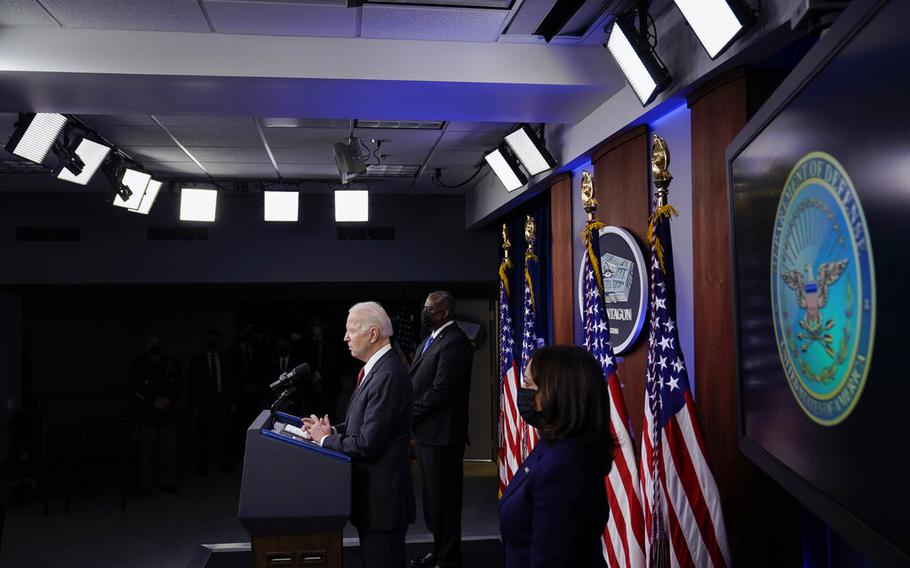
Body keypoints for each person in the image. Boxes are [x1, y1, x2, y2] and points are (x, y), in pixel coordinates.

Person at [304, 302, 415, 568]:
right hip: (374, 501)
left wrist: (325, 440)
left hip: (383, 503)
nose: (345, 338)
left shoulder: (387, 373)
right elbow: (363, 426)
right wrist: (332, 431)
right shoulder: (375, 369)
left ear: (373, 334)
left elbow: (367, 444)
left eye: (352, 330)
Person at [499, 345, 614, 568]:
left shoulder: (565, 466)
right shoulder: (554, 445)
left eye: (528, 384)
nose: (521, 391)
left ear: (556, 394)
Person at [408, 291, 473, 568]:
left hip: (443, 436)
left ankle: (448, 557)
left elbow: (442, 391)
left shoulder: (455, 342)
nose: (424, 312)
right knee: (432, 500)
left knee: (445, 500)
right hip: (427, 435)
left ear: (445, 312)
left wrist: (407, 413)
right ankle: (439, 550)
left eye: (429, 308)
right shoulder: (430, 340)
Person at [128, 335, 182, 494]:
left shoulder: (172, 363)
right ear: (146, 347)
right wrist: (152, 401)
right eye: (151, 344)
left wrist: (168, 399)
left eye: (157, 344)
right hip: (147, 413)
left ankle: (168, 481)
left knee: (168, 449)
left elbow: (179, 384)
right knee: (146, 450)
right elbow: (135, 387)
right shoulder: (138, 365)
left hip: (168, 413)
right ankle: (145, 484)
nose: (155, 346)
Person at [188, 330, 238, 474]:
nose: (212, 342)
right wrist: (193, 406)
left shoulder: (225, 359)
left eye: (214, 339)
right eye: (209, 339)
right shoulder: (197, 361)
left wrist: (233, 401)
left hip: (221, 400)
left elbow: (231, 381)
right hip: (203, 402)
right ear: (205, 342)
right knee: (202, 435)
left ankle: (225, 463)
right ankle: (201, 466)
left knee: (223, 434)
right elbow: (192, 384)